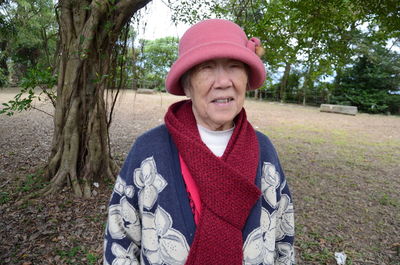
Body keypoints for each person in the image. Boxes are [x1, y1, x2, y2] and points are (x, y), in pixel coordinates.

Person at [103, 19, 295, 265]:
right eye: (206, 68)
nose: (223, 81)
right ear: (187, 84)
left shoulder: (264, 150)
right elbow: (120, 239)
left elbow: (283, 240)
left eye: (234, 66)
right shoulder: (149, 150)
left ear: (247, 79)